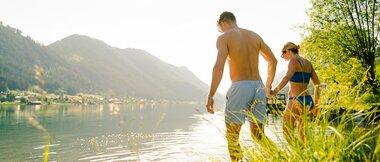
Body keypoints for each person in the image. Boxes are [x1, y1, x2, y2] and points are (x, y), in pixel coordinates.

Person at [206, 11, 277, 161]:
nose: (221, 31)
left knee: (232, 137)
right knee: (259, 135)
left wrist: (211, 95)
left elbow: (219, 67)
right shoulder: (254, 36)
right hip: (259, 87)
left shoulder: (224, 37)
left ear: (223, 23)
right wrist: (268, 86)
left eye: (220, 28)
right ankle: (282, 159)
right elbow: (273, 60)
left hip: (240, 87)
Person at [271, 42, 320, 145]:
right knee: (303, 134)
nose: (283, 57)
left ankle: (300, 152)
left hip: (295, 100)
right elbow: (317, 84)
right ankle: (307, 156)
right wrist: (316, 104)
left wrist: (275, 90)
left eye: (283, 54)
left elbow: (286, 77)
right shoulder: (308, 63)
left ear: (288, 50)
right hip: (308, 101)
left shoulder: (292, 61)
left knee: (286, 132)